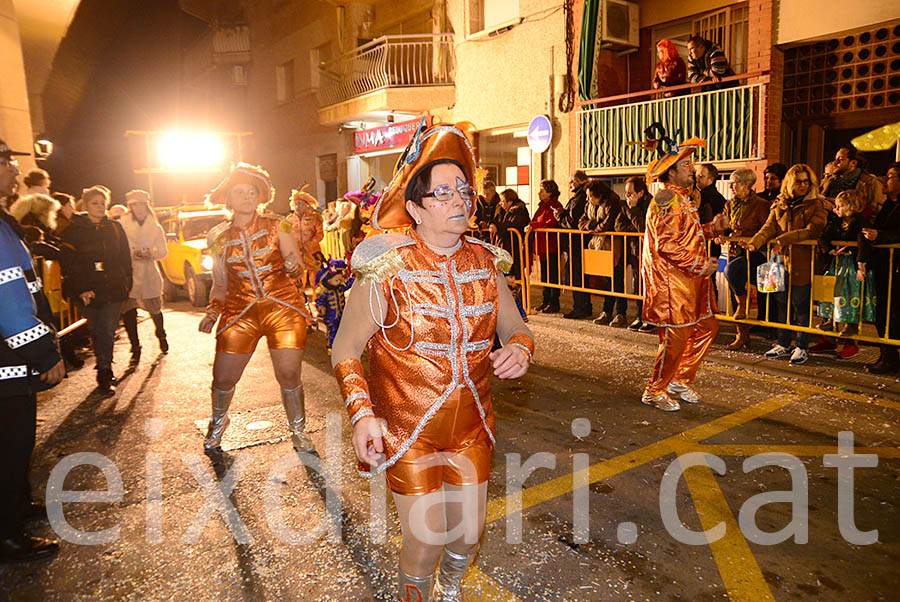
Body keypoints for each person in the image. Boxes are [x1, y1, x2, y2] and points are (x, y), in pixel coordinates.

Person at [331, 120, 534, 601]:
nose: (460, 201)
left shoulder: (485, 261)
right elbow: (345, 348)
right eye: (443, 193)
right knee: (424, 540)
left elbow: (517, 327)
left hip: (472, 427)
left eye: (463, 190)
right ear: (416, 208)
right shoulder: (387, 266)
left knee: (468, 534)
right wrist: (362, 415)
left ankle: (451, 590)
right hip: (408, 429)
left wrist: (521, 349)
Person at [198, 163, 313, 453]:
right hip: (239, 312)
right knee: (223, 377)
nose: (247, 196)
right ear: (228, 198)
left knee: (288, 374)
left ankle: (297, 429)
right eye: (239, 191)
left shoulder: (280, 225)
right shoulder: (216, 237)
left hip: (283, 308)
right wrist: (213, 312)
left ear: (260, 196)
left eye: (252, 191)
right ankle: (218, 424)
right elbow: (220, 282)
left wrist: (292, 266)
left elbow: (297, 266)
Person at [0, 154, 65, 562]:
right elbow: (9, 305)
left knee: (14, 446)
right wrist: (44, 354)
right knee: (11, 445)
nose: (14, 170)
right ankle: (7, 535)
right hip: (7, 363)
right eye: (4, 160)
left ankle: (16, 510)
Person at [641, 135, 727, 411]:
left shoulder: (683, 199)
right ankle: (655, 390)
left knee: (707, 327)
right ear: (672, 173)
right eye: (687, 164)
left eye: (691, 163)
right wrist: (701, 265)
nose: (692, 168)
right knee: (675, 340)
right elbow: (666, 246)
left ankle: (679, 379)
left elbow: (687, 236)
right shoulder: (666, 199)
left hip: (691, 281)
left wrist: (713, 229)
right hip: (671, 283)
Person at [741, 164, 828, 366]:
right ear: (790, 182)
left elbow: (813, 230)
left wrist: (784, 239)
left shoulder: (816, 204)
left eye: (807, 181)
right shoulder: (780, 204)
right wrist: (754, 243)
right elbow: (768, 227)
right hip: (781, 263)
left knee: (801, 306)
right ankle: (783, 342)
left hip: (804, 261)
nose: (803, 185)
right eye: (799, 181)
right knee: (781, 304)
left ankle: (802, 346)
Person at [59, 186, 132, 393]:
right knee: (96, 329)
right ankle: (103, 366)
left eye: (103, 203)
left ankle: (104, 371)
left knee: (107, 330)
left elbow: (125, 259)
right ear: (86, 205)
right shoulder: (73, 230)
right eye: (95, 203)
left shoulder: (115, 228)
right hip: (87, 289)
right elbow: (69, 262)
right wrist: (82, 288)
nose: (100, 207)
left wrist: (127, 284)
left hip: (114, 288)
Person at [810, 190, 873, 359]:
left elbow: (863, 242)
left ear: (852, 206)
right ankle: (828, 330)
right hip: (836, 264)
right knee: (831, 295)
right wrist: (831, 250)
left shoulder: (861, 222)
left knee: (851, 296)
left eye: (840, 206)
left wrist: (861, 264)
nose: (836, 209)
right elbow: (823, 236)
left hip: (852, 265)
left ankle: (851, 336)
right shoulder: (835, 221)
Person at [721, 168, 771, 350]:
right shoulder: (730, 204)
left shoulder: (761, 205)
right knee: (735, 287)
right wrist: (721, 234)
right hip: (736, 253)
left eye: (735, 182)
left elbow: (767, 230)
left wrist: (749, 238)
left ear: (748, 185)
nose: (731, 186)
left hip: (756, 254)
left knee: (731, 272)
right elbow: (725, 227)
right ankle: (742, 335)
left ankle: (767, 330)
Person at [119, 190, 169, 362]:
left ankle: (161, 336)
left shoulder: (155, 227)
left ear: (147, 206)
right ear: (130, 207)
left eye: (141, 204)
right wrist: (132, 254)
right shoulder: (122, 225)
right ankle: (135, 348)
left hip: (149, 273)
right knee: (129, 312)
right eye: (135, 204)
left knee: (155, 309)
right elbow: (118, 249)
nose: (139, 208)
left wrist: (150, 253)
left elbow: (163, 251)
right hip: (130, 274)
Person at [860, 161, 900, 374]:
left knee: (895, 314)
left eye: (891, 176)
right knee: (883, 314)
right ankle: (888, 356)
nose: (886, 180)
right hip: (884, 266)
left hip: (897, 267)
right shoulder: (886, 204)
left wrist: (881, 236)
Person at [579, 179, 626, 327]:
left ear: (599, 195)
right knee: (607, 281)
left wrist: (593, 227)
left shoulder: (612, 202)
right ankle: (606, 311)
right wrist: (593, 226)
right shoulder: (590, 205)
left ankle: (620, 313)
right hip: (599, 244)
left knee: (617, 280)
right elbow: (581, 222)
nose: (588, 199)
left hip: (613, 245)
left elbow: (608, 224)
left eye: (590, 196)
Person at [618, 176, 653, 331]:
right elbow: (619, 226)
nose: (627, 196)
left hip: (649, 252)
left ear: (640, 193)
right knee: (637, 284)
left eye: (630, 193)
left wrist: (633, 210)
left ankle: (650, 318)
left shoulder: (649, 205)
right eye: (626, 193)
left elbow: (643, 227)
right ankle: (640, 315)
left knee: (648, 286)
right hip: (634, 249)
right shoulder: (626, 205)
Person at [557, 171, 592, 319]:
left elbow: (573, 222)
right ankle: (581, 306)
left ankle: (581, 307)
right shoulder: (578, 196)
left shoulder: (581, 197)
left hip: (577, 243)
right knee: (576, 276)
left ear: (578, 181)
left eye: (572, 181)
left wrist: (560, 216)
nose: (570, 184)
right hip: (575, 242)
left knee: (578, 276)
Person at [526, 179, 564, 313]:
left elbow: (551, 223)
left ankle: (554, 302)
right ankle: (546, 300)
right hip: (542, 245)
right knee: (545, 275)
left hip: (551, 246)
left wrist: (533, 226)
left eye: (542, 191)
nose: (538, 193)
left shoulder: (555, 205)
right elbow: (536, 220)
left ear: (550, 192)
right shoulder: (542, 206)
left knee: (552, 275)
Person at [286, 186, 325, 312]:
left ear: (307, 205)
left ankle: (317, 303)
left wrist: (309, 245)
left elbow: (320, 234)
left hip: (313, 254)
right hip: (297, 255)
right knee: (298, 282)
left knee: (316, 281)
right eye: (296, 204)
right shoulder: (289, 220)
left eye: (301, 204)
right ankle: (300, 306)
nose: (298, 206)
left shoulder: (315, 217)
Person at [821, 146, 885, 216]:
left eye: (840, 159)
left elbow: (877, 211)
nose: (835, 162)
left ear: (853, 163)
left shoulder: (869, 183)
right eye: (835, 159)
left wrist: (848, 209)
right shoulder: (829, 181)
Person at [489, 188, 530, 282]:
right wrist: (492, 224)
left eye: (503, 201)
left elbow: (511, 225)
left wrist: (498, 227)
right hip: (504, 246)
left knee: (515, 272)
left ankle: (520, 293)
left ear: (510, 201)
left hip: (514, 246)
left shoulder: (519, 210)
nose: (501, 203)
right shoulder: (502, 210)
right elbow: (495, 219)